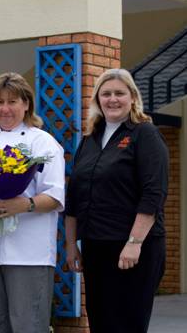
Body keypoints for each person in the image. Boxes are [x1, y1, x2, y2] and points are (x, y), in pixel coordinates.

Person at [0, 72, 65, 333]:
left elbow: (56, 195)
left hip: (29, 253)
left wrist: (25, 204)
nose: (5, 109)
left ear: (26, 104)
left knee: (28, 325)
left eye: (13, 101)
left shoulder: (43, 142)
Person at [65, 68, 168, 333]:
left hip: (134, 249)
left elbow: (153, 194)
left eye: (119, 93)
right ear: (98, 99)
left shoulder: (145, 134)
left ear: (132, 97)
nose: (113, 99)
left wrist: (134, 243)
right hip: (96, 246)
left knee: (128, 324)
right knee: (101, 322)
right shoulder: (89, 140)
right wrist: (70, 245)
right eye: (106, 93)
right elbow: (74, 196)